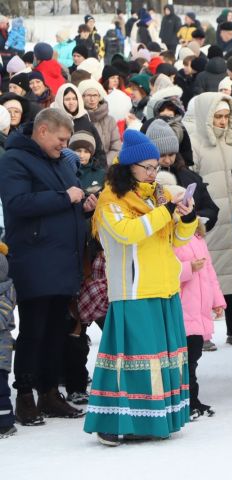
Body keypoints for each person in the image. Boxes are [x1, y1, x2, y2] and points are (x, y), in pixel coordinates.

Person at [83, 130, 197, 446]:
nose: (152, 172)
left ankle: (156, 419)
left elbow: (176, 240)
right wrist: (166, 212)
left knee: (160, 359)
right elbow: (128, 233)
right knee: (132, 359)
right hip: (133, 290)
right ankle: (114, 422)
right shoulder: (111, 200)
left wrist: (187, 217)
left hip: (163, 285)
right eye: (147, 167)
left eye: (155, 166)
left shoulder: (155, 194)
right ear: (129, 166)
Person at [0, 109, 96, 426]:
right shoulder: (14, 160)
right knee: (33, 329)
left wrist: (83, 208)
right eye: (61, 139)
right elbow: (17, 204)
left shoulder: (60, 161)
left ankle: (50, 391)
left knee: (58, 328)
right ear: (42, 131)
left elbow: (68, 203)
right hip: (35, 258)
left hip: (63, 260)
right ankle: (25, 394)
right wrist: (64, 197)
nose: (64, 145)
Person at [184, 93, 232, 348]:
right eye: (217, 116)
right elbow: (191, 180)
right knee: (209, 275)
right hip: (211, 219)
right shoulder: (196, 143)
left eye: (225, 116)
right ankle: (202, 332)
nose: (222, 121)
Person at [160, 176, 224, 417]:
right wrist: (188, 270)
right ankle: (187, 400)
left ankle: (192, 399)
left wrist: (218, 300)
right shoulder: (169, 239)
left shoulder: (197, 238)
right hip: (183, 310)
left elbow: (209, 272)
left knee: (193, 358)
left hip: (198, 310)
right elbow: (167, 271)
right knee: (184, 361)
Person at [52, 83, 107, 167]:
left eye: (74, 99)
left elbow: (98, 150)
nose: (71, 102)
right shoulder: (53, 120)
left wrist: (97, 168)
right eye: (67, 99)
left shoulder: (85, 121)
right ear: (60, 100)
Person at [78, 79, 122, 165]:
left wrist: (103, 164)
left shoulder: (110, 121)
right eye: (88, 95)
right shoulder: (77, 119)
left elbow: (116, 148)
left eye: (95, 95)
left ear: (99, 97)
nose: (92, 99)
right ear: (81, 97)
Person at [0, 242, 16, 438]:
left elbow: (2, 318)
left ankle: (5, 423)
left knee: (1, 393)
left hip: (1, 353)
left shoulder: (5, 292)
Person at [70, 130, 105, 195]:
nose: (81, 155)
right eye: (78, 151)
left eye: (86, 151)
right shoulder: (64, 171)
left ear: (91, 154)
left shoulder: (101, 174)